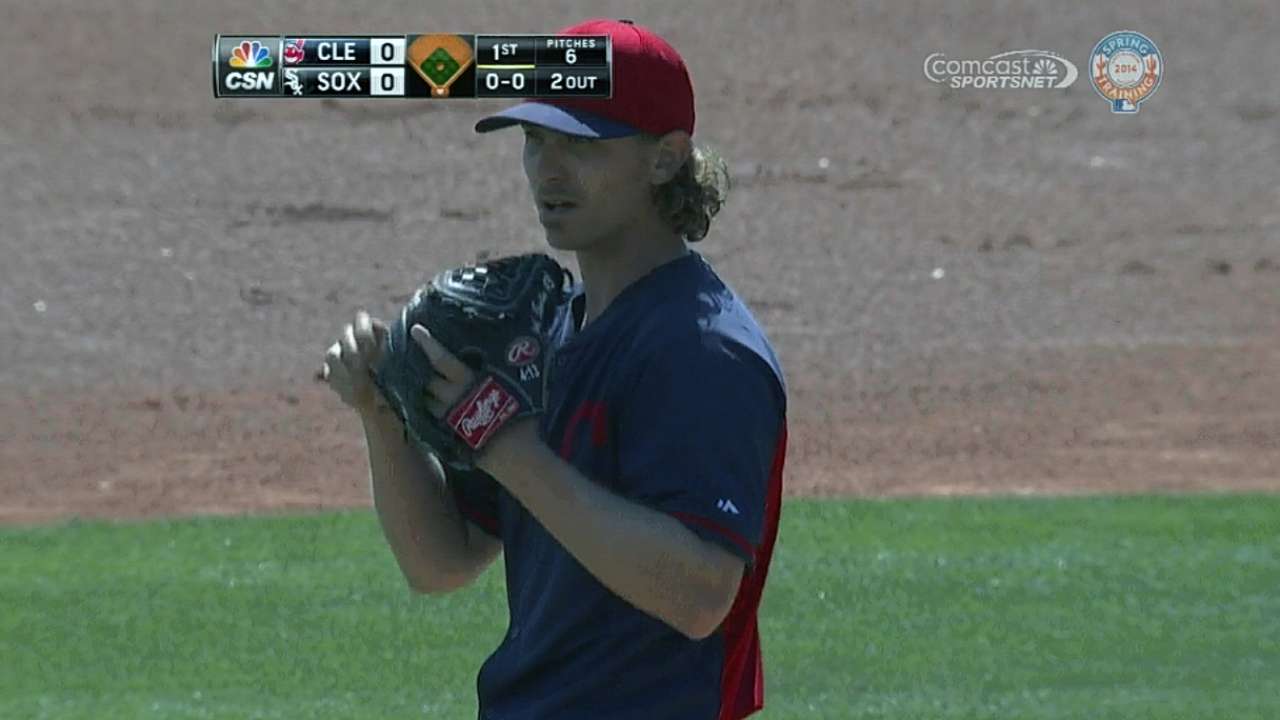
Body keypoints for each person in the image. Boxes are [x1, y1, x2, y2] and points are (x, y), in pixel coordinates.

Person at [323, 18, 787, 720]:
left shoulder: (702, 350)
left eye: (581, 144)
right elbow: (441, 562)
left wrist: (509, 450)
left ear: (665, 159)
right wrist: (381, 413)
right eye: (536, 140)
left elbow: (699, 597)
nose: (548, 170)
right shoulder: (544, 332)